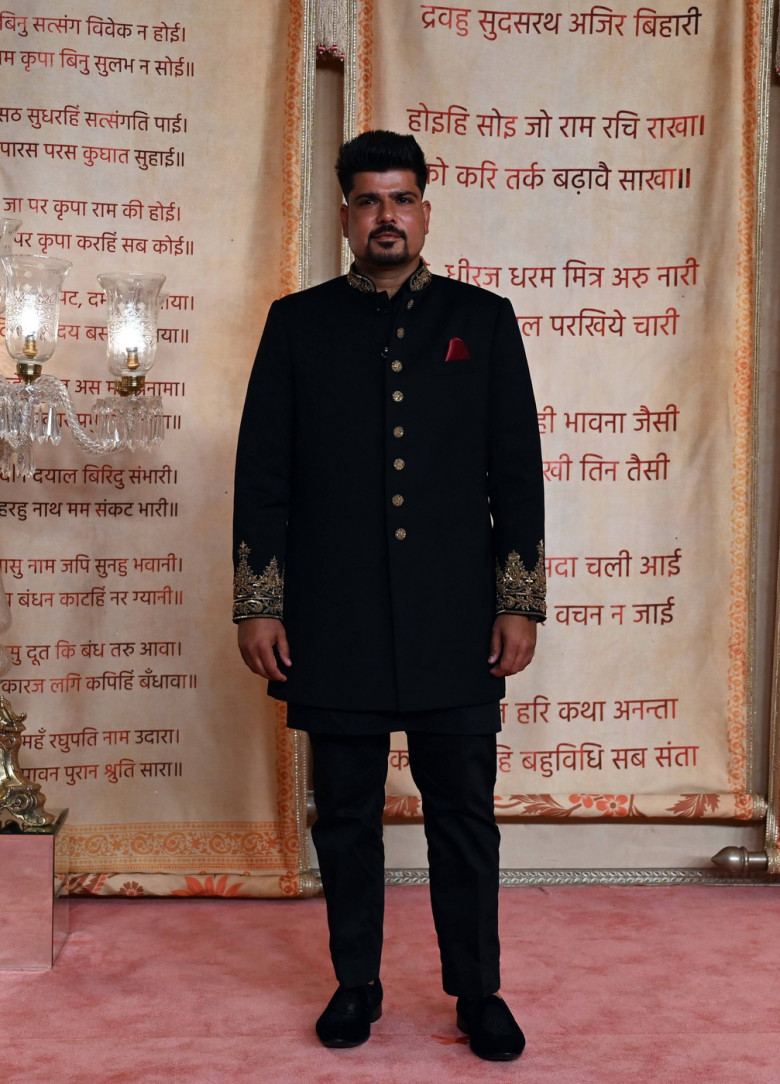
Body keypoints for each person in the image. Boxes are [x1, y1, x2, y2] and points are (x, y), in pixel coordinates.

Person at [233, 130, 545, 1062]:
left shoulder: (484, 322)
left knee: (464, 814)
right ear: (344, 214)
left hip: (457, 621)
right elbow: (263, 477)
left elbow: (516, 476)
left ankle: (477, 991)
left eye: (401, 199)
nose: (386, 218)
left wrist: (517, 597)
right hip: (336, 621)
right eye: (368, 202)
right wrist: (259, 600)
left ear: (425, 208)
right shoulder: (298, 323)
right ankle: (356, 984)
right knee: (347, 816)